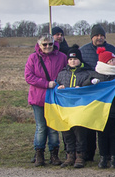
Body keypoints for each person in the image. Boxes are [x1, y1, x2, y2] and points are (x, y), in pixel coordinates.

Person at [78, 24, 115, 161]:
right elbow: (80, 68)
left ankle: (110, 155)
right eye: (96, 35)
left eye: (101, 35)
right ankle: (88, 153)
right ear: (92, 37)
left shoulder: (113, 50)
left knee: (109, 130)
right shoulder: (84, 50)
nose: (99, 38)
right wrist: (91, 79)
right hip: (91, 92)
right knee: (89, 125)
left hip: (111, 97)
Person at [24, 34, 67, 167]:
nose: (48, 47)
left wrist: (61, 84)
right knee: (41, 127)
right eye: (45, 44)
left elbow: (66, 73)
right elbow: (29, 76)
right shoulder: (33, 58)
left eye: (50, 44)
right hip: (38, 97)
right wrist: (45, 83)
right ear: (39, 45)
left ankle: (54, 154)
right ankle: (39, 154)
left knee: (53, 127)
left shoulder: (62, 57)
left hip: (55, 98)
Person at [55, 44, 94, 168]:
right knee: (67, 133)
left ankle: (80, 156)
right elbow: (57, 86)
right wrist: (58, 88)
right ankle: (70, 155)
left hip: (79, 109)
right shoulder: (61, 74)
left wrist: (81, 88)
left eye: (75, 59)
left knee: (80, 133)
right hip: (66, 109)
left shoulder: (86, 74)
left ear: (80, 60)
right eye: (71, 59)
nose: (73, 61)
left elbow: (89, 89)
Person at [92, 47, 115, 169]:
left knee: (114, 134)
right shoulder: (97, 75)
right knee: (101, 134)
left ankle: (113, 157)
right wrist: (91, 82)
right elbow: (86, 86)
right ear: (105, 63)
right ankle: (103, 157)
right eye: (111, 60)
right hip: (100, 110)